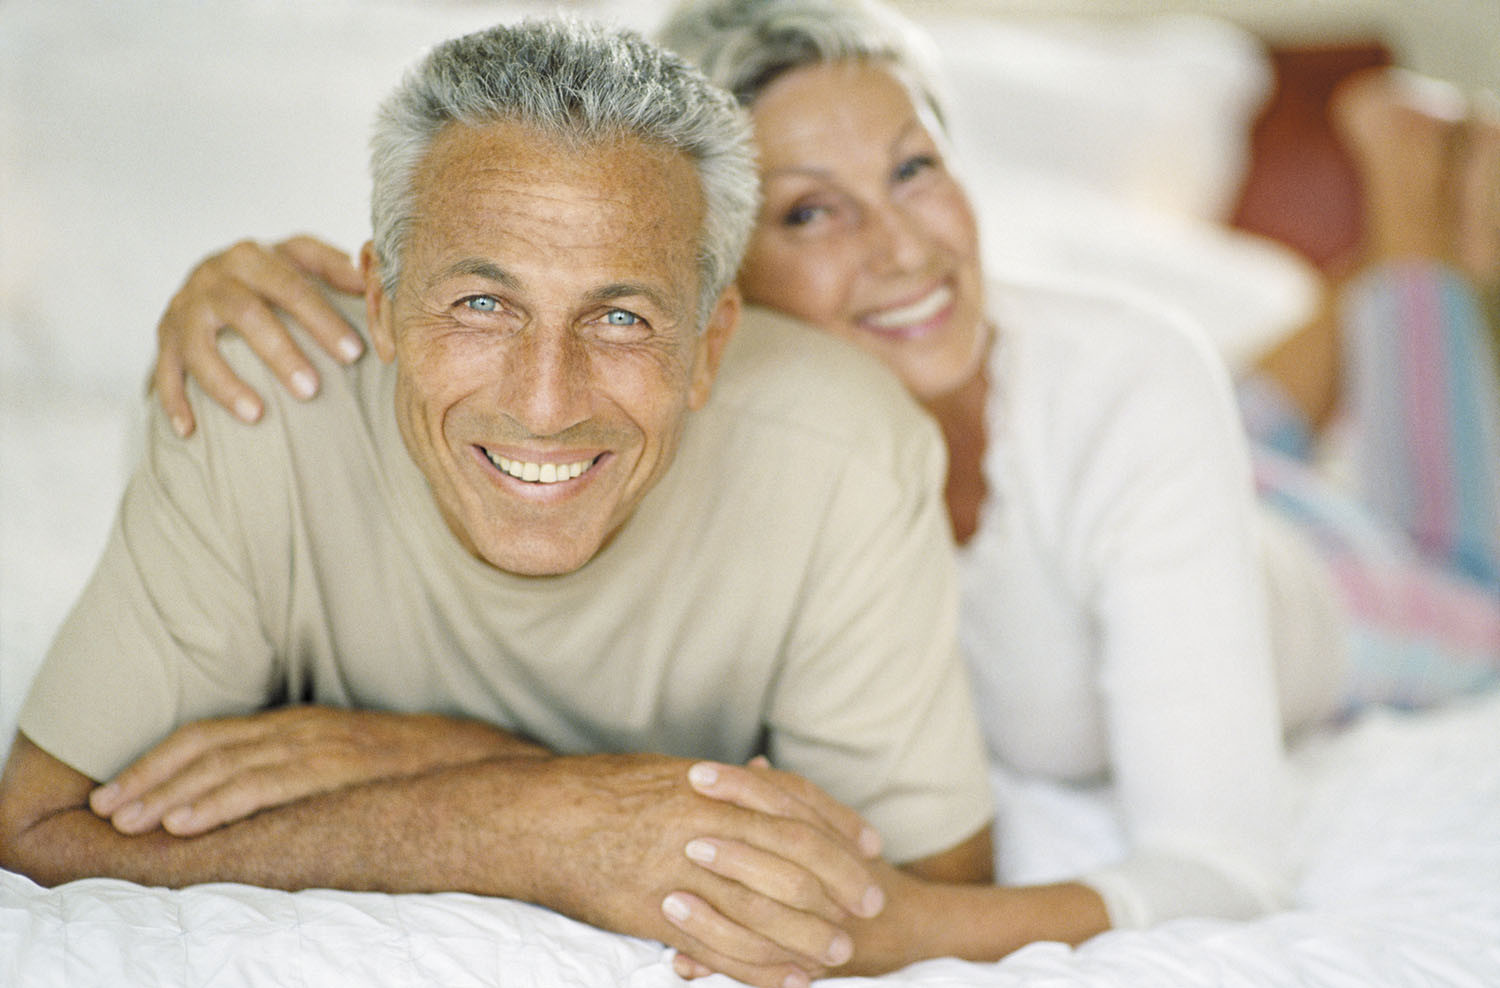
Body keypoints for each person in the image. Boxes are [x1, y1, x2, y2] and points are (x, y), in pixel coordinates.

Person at [138, 0, 1500, 964]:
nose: (903, 247)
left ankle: (1413, 210)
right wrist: (245, 281)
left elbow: (1227, 871)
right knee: (1239, 418)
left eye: (915, 170)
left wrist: (919, 928)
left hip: (1300, 583)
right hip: (1171, 468)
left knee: (1463, 577)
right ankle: (1361, 284)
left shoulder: (1128, 379)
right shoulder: (684, 425)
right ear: (708, 279)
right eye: (809, 210)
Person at [0, 19, 1020, 988]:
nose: (544, 403)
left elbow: (930, 891)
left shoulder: (846, 448)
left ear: (710, 344)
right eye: (482, 304)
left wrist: (434, 764)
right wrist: (531, 813)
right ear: (387, 302)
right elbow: (39, 827)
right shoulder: (246, 396)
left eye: (621, 315)